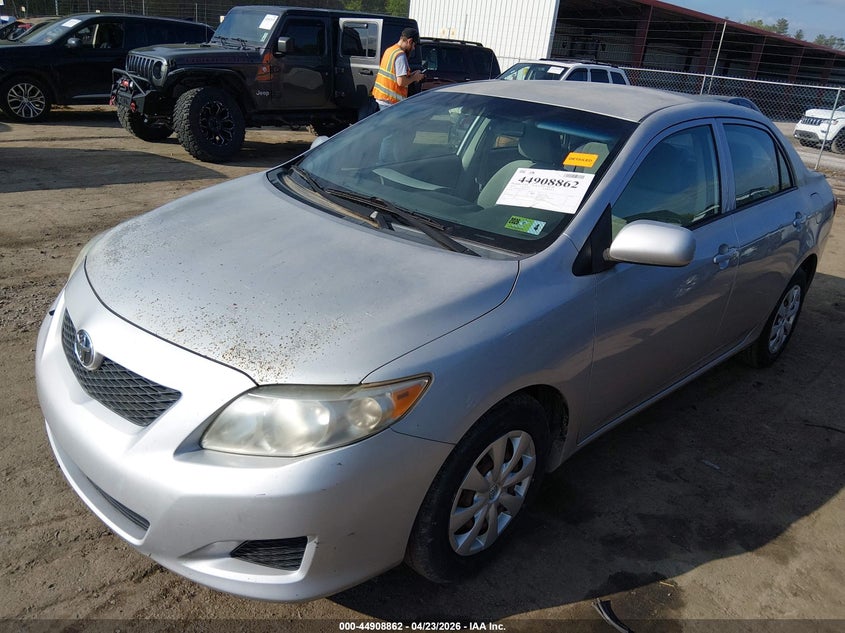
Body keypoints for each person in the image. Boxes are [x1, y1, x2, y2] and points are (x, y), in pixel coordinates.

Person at [371, 27, 425, 110]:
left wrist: (412, 74)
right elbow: (401, 81)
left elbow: (393, 74)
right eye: (414, 45)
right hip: (390, 102)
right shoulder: (400, 55)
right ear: (409, 41)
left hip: (382, 97)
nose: (414, 48)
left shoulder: (390, 50)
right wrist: (415, 77)